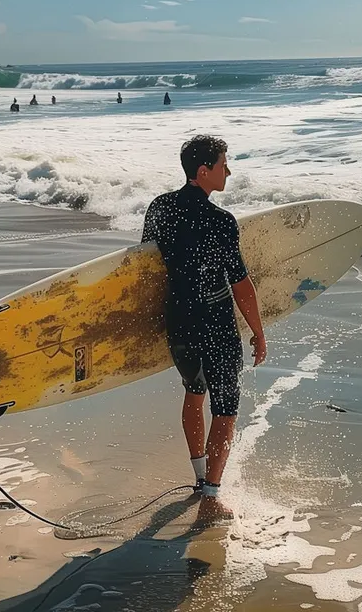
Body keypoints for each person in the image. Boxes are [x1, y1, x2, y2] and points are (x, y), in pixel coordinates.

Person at [141, 135, 266, 525]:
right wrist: (259, 332)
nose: (228, 171)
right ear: (203, 171)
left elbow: (144, 269)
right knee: (225, 411)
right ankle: (210, 495)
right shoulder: (220, 222)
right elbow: (241, 285)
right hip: (215, 324)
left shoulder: (160, 208)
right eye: (223, 164)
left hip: (177, 322)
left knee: (194, 393)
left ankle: (199, 479)